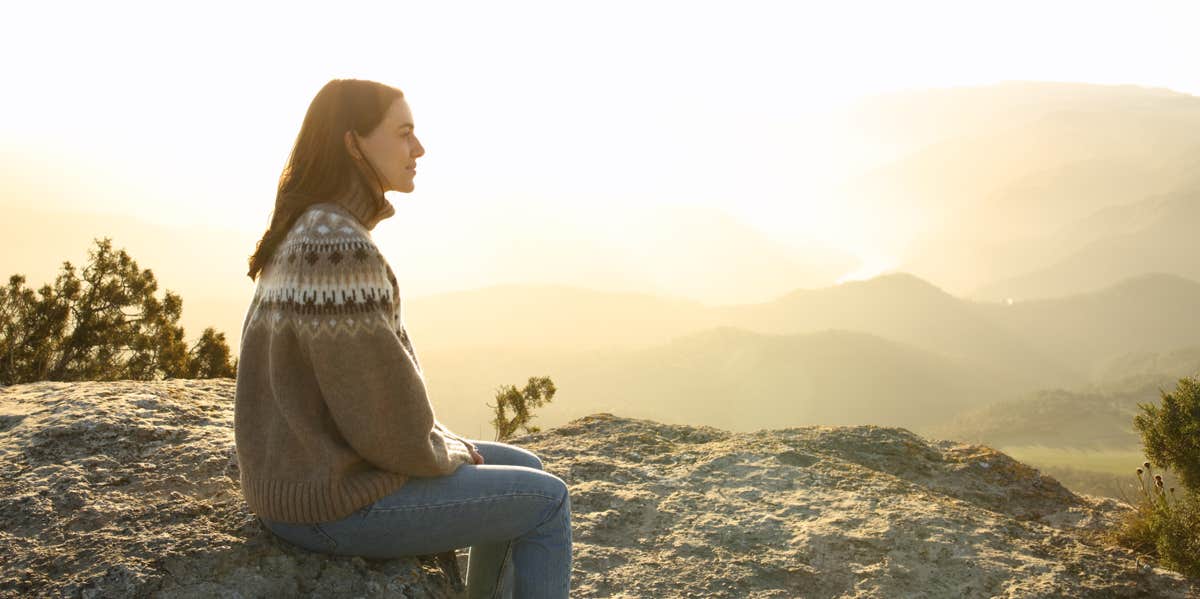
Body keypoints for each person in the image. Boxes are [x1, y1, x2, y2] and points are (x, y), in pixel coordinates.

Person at [235, 78, 572, 599]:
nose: (419, 148)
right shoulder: (340, 250)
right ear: (353, 144)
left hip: (297, 487)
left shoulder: (308, 228)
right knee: (548, 501)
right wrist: (444, 451)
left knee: (525, 466)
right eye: (404, 133)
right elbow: (388, 426)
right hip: (332, 504)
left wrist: (446, 446)